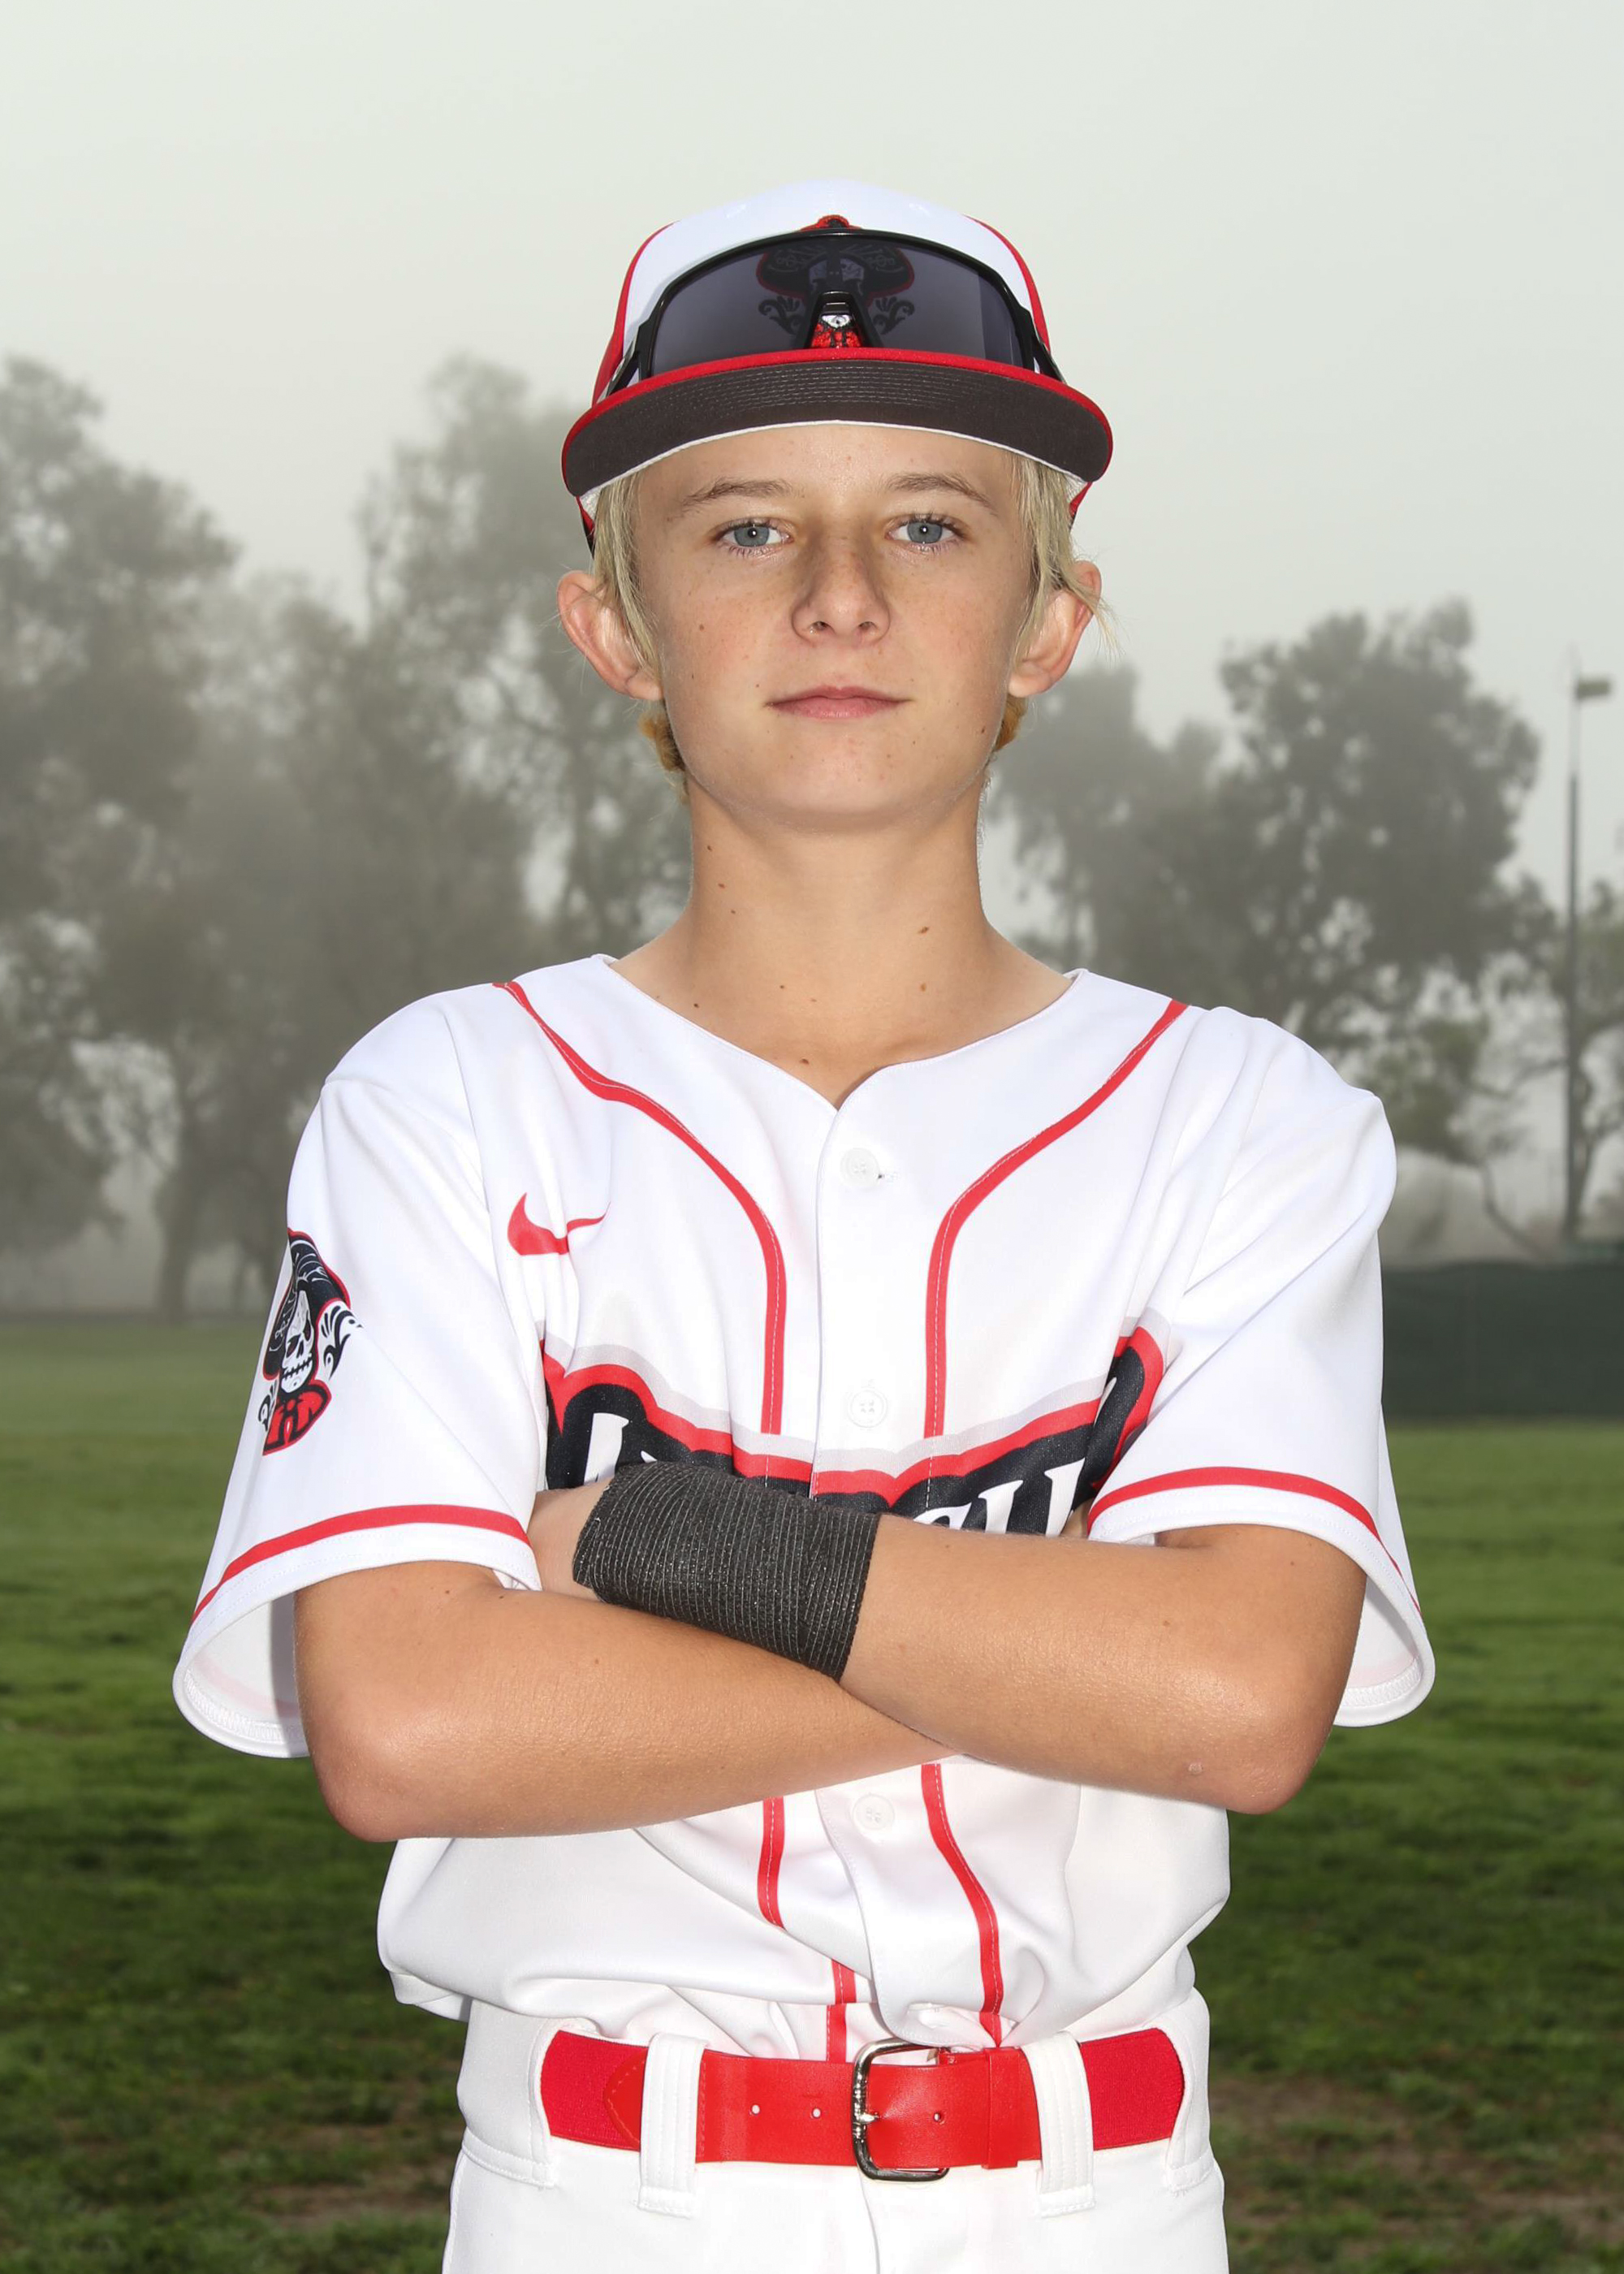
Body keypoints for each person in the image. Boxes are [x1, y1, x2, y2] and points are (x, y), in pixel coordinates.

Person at [175, 179, 1433, 2272]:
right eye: (747, 525)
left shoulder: (1243, 1119)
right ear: (617, 627)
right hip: (606, 2199)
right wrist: (1067, 1643)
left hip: (1097, 2202)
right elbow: (408, 1723)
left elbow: (1239, 1701)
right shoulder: (447, 1096)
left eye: (930, 524)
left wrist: (660, 1545)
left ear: (1048, 618)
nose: (841, 599)